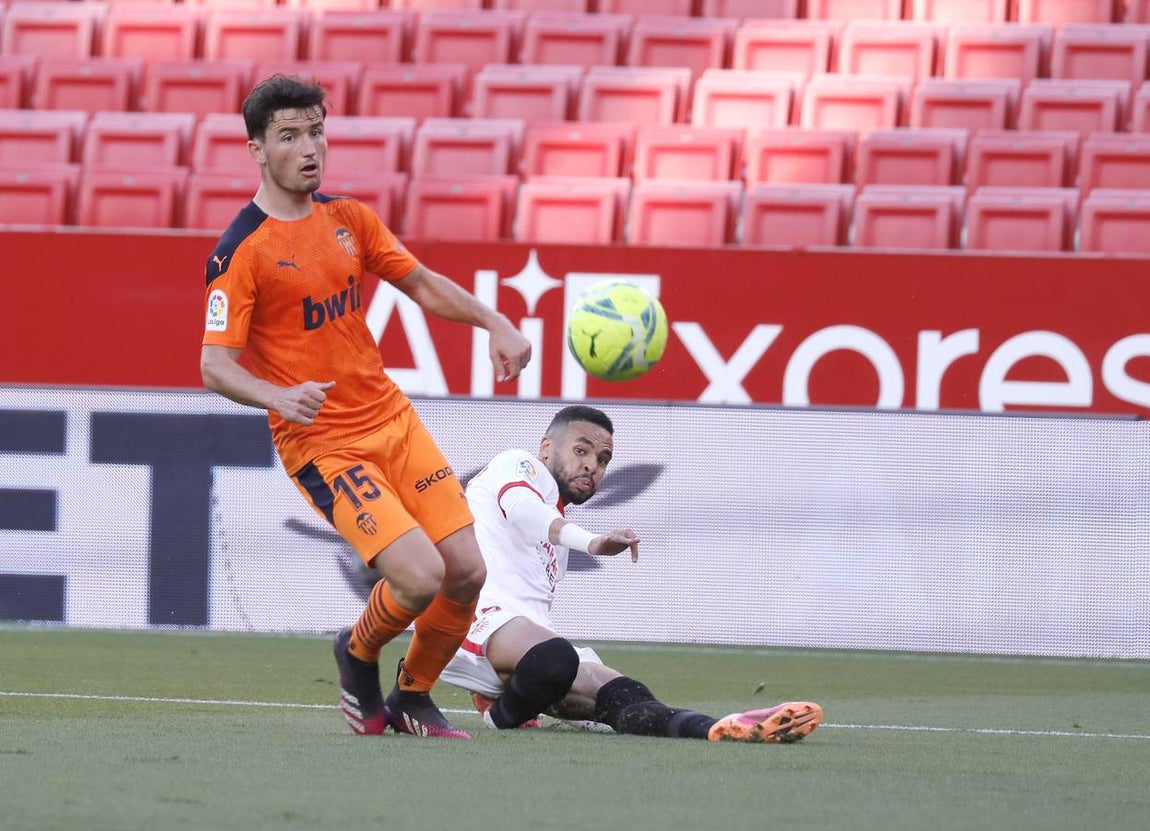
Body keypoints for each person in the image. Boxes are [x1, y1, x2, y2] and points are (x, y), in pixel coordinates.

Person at [199, 75, 532, 739]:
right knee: (419, 576)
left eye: (316, 131)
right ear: (257, 150)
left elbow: (423, 284)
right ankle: (357, 651)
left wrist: (494, 320)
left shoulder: (349, 219)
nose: (309, 147)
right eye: (289, 136)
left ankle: (413, 695)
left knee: (467, 571)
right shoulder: (241, 252)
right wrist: (278, 396)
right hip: (324, 442)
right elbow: (213, 365)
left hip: (392, 419)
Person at [440, 405, 824, 744]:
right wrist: (592, 542)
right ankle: (501, 714)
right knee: (556, 659)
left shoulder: (556, 542)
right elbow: (525, 511)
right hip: (477, 625)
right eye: (581, 450)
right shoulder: (518, 464)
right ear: (546, 448)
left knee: (624, 694)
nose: (593, 464)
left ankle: (718, 728)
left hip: (528, 653)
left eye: (604, 459)